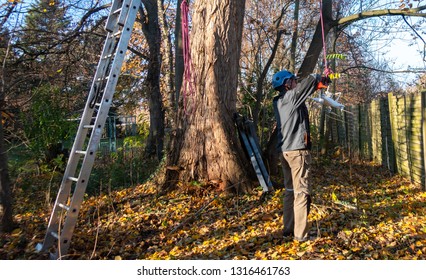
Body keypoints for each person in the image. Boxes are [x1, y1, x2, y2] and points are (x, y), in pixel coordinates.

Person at [271, 69, 330, 242]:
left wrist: (321, 83)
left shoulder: (280, 101)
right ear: (287, 84)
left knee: (290, 191)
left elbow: (307, 89)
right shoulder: (291, 97)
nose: (296, 83)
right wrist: (320, 74)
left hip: (285, 151)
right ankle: (301, 235)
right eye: (293, 81)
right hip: (297, 152)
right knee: (301, 193)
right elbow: (309, 81)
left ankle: (289, 229)